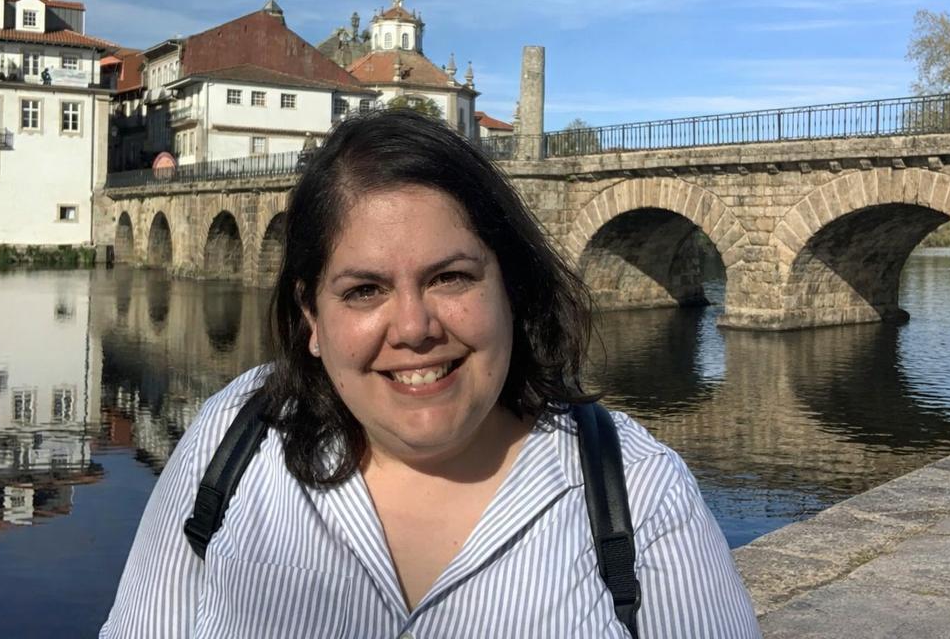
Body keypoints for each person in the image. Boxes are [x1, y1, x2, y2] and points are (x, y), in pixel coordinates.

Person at [101, 110, 760, 638]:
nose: (414, 327)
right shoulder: (234, 441)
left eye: (450, 277)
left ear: (509, 282)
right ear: (311, 313)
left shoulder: (639, 496)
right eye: (364, 290)